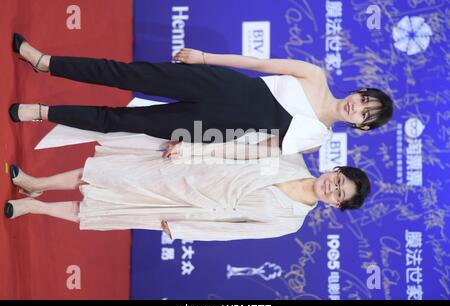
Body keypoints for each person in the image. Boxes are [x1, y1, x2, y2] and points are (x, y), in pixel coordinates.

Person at [9, 33, 393, 155]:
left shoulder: (316, 141)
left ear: (360, 128)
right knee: (124, 73)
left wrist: (196, 148)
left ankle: (43, 111)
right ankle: (45, 62)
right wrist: (206, 57)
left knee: (123, 122)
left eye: (364, 114)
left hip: (214, 126)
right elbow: (258, 64)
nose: (357, 107)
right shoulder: (315, 75)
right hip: (218, 83)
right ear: (359, 91)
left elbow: (252, 149)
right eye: (363, 100)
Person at [4, 135, 371, 241]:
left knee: (106, 209)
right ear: (334, 169)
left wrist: (186, 229)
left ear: (336, 206)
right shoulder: (290, 157)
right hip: (193, 167)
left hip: (190, 207)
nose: (331, 188)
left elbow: (234, 234)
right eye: (338, 180)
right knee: (108, 173)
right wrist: (192, 149)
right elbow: (236, 149)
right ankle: (36, 184)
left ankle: (37, 208)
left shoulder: (290, 222)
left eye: (339, 194)